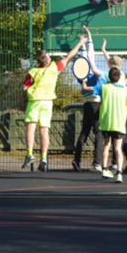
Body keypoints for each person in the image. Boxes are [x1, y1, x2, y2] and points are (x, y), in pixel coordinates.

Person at [22, 34, 87, 171]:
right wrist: (80, 42)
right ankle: (44, 157)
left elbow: (24, 87)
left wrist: (26, 95)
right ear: (46, 59)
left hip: (34, 101)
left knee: (30, 128)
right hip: (47, 102)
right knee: (44, 131)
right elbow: (69, 56)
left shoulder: (33, 71)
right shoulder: (54, 68)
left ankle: (29, 154)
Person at [82, 68, 127, 183]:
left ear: (109, 77)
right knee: (118, 148)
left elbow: (85, 89)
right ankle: (119, 173)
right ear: (119, 77)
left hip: (106, 122)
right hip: (119, 123)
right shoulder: (125, 91)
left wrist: (84, 81)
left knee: (106, 145)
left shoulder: (103, 88)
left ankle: (104, 169)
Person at [100, 38, 127, 174]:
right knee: (120, 140)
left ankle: (118, 164)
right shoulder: (118, 73)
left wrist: (104, 50)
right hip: (120, 108)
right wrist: (104, 49)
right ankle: (122, 165)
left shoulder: (116, 77)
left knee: (117, 141)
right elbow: (109, 61)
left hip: (118, 110)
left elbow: (108, 62)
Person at [71, 25, 107, 172]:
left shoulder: (82, 77)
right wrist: (89, 36)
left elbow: (85, 57)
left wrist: (83, 42)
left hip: (86, 105)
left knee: (84, 133)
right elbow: (89, 56)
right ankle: (97, 162)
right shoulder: (99, 75)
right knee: (98, 134)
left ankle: (76, 159)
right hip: (97, 104)